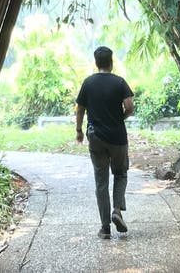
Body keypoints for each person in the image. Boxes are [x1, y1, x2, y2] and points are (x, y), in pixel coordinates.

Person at [75, 46, 134, 239]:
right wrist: (120, 118)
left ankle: (105, 228)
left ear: (96, 62)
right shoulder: (119, 82)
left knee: (101, 182)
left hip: (96, 137)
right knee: (120, 173)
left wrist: (79, 131)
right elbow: (129, 106)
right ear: (111, 62)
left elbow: (80, 109)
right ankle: (116, 210)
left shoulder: (88, 83)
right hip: (118, 137)